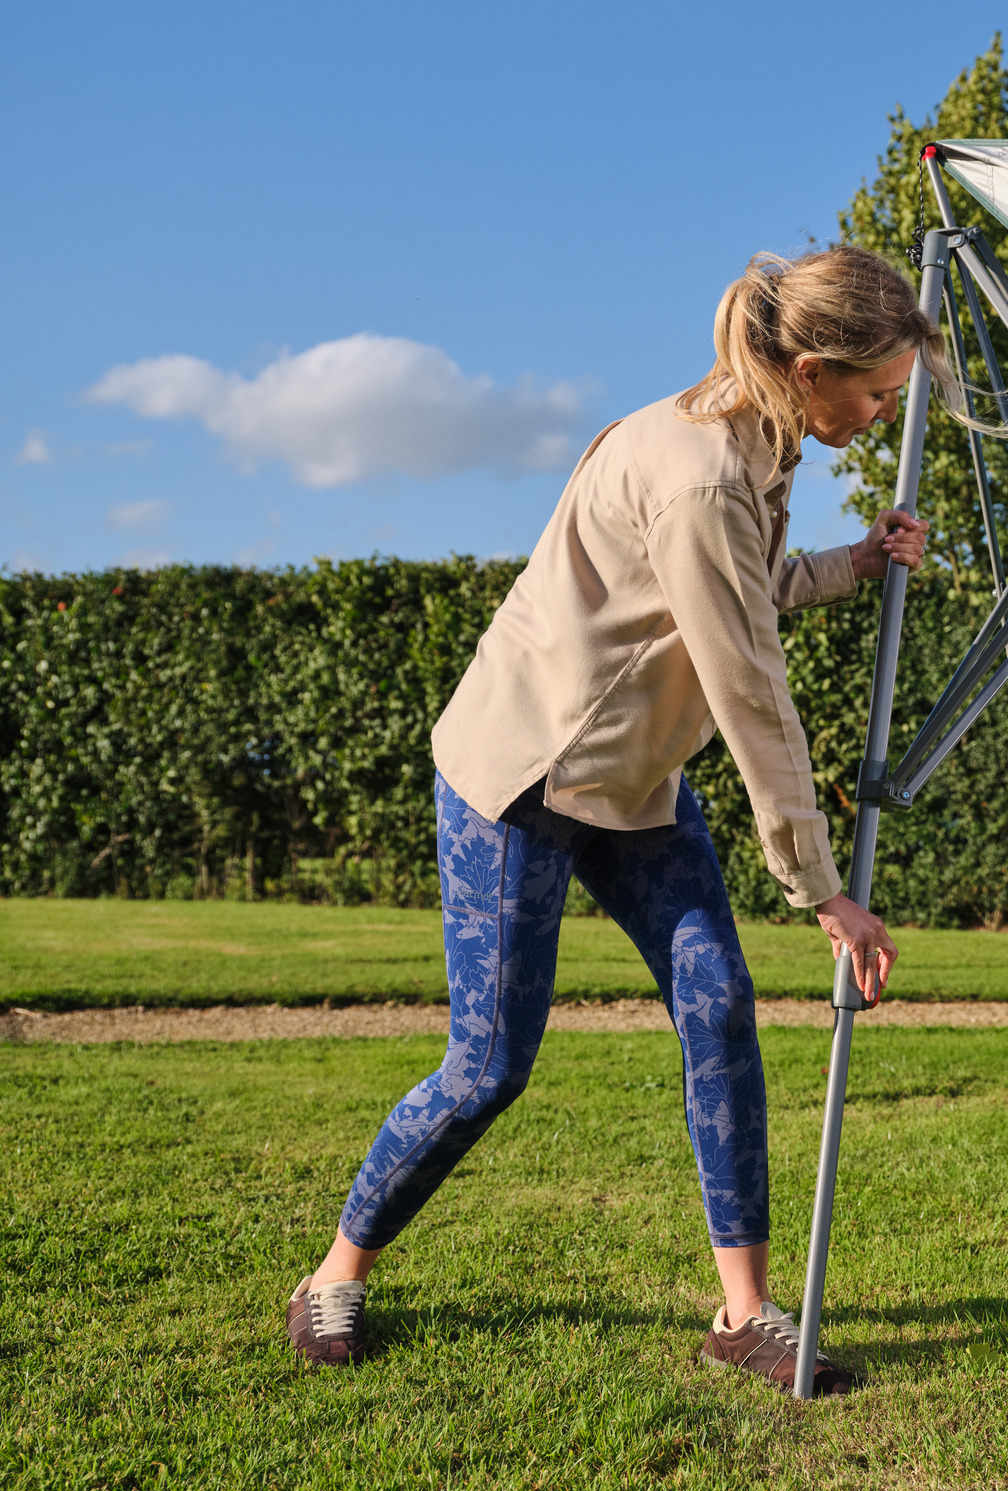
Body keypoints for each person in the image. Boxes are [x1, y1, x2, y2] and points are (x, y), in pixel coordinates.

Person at [283, 245, 963, 1396]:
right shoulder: (697, 468)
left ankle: (744, 1315)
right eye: (877, 393)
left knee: (717, 1001)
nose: (883, 411)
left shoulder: (754, 435)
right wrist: (821, 890)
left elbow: (733, 590)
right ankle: (334, 1270)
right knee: (489, 1061)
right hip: (526, 773)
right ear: (808, 366)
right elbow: (747, 685)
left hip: (636, 780)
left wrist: (851, 563)